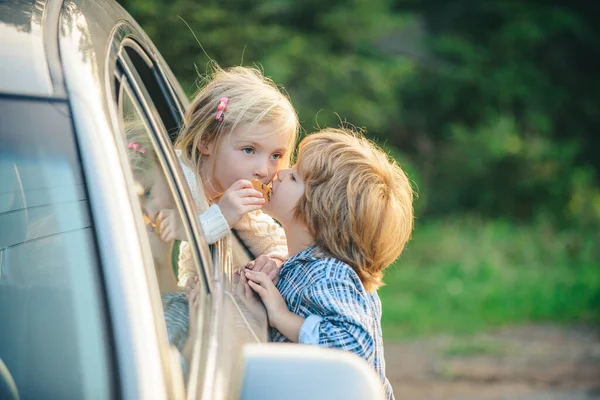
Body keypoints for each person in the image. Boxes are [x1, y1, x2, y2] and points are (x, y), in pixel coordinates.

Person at [243, 128, 415, 400]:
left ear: (318, 212)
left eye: (295, 177)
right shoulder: (307, 265)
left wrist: (282, 317)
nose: (282, 173)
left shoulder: (327, 272)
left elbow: (354, 346)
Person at [174, 65, 300, 285]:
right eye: (249, 150)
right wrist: (221, 216)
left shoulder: (234, 196)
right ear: (206, 140)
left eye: (276, 155)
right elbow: (161, 227)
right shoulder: (175, 177)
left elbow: (276, 241)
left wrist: (276, 259)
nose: (264, 170)